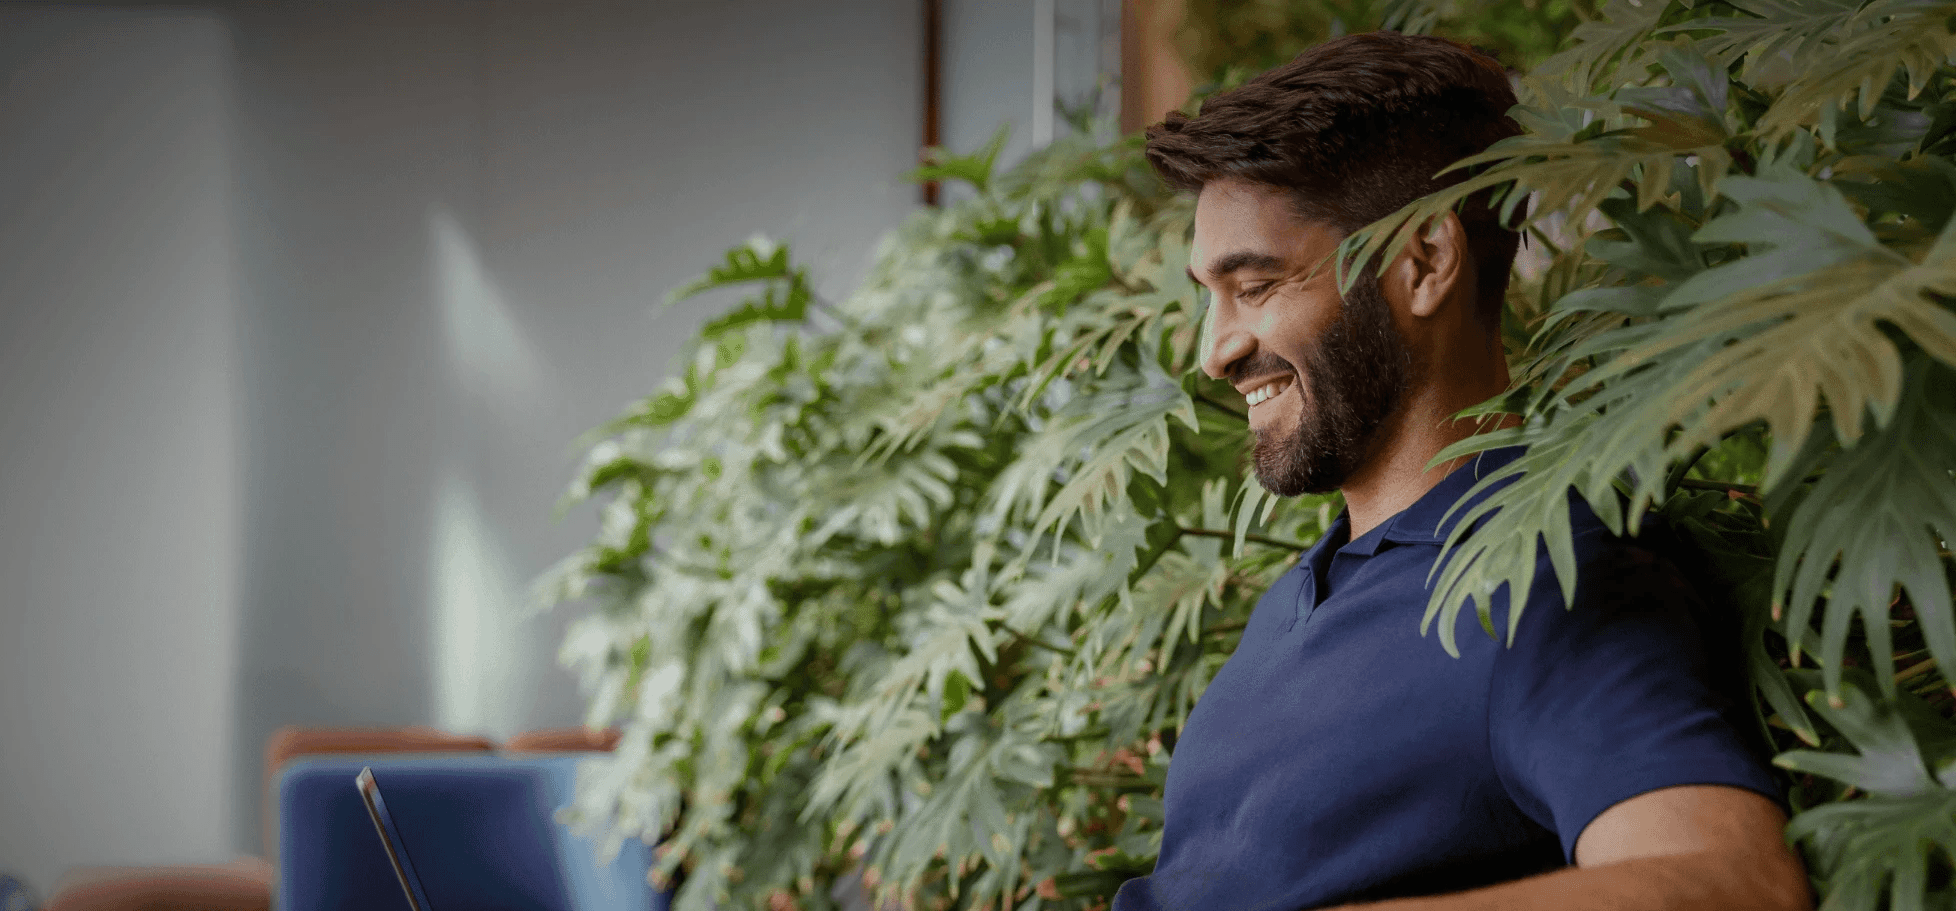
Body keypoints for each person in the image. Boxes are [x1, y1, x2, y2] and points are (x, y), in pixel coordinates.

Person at [1114, 32, 1811, 911]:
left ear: (1424, 263)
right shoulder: (1309, 589)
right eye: (1206, 294)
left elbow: (1733, 880)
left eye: (1255, 286)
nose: (1214, 351)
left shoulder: (1543, 576)